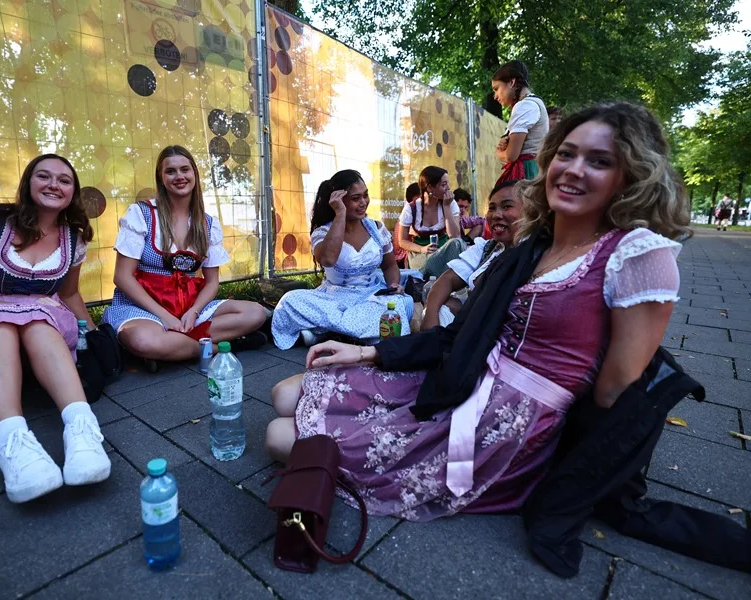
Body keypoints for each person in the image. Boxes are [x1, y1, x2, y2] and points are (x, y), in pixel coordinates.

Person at [266, 101, 690, 523]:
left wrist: (568, 476)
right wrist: (366, 352)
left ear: (630, 176)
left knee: (280, 436)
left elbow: (613, 394)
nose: (574, 169)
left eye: (599, 161)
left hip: (510, 422)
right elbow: (461, 334)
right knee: (284, 394)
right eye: (566, 153)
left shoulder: (636, 253)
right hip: (463, 373)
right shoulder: (534, 247)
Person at [0, 154, 110, 504]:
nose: (54, 184)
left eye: (64, 180)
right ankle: (13, 444)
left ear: (72, 193)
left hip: (45, 328)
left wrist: (93, 334)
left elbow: (68, 294)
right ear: (28, 183)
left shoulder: (74, 238)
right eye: (44, 176)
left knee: (38, 322)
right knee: (3, 324)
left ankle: (83, 430)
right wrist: (20, 308)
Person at [102, 146, 267, 365]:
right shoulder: (141, 214)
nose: (179, 176)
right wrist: (165, 316)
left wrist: (194, 311)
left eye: (185, 169)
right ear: (161, 178)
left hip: (188, 306)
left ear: (194, 174)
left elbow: (212, 282)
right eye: (171, 171)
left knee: (256, 313)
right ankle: (220, 347)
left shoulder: (207, 224)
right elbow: (122, 277)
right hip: (144, 307)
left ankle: (171, 347)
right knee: (143, 340)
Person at [270, 169, 414, 349]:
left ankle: (327, 331)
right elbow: (328, 259)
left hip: (371, 296)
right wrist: (340, 214)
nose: (363, 202)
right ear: (338, 201)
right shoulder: (322, 232)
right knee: (290, 301)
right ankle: (352, 333)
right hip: (333, 299)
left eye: (365, 195)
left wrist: (393, 285)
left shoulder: (377, 229)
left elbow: (390, 266)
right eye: (356, 198)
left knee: (399, 303)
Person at [421, 179, 522, 329]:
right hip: (475, 325)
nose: (496, 215)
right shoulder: (487, 247)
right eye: (492, 208)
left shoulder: (537, 254)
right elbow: (447, 280)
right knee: (438, 308)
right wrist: (430, 316)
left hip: (505, 331)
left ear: (531, 213)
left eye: (507, 206)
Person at [396, 166, 467, 279]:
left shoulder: (450, 203)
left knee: (457, 243)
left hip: (442, 251)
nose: (448, 188)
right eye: (444, 185)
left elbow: (454, 235)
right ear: (430, 188)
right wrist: (422, 249)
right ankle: (437, 277)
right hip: (420, 255)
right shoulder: (411, 208)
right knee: (427, 264)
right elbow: (402, 241)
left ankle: (438, 279)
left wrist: (446, 207)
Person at [493, 60, 549, 183]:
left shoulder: (524, 106)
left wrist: (499, 153)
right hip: (535, 170)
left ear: (511, 82)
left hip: (526, 172)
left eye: (496, 88)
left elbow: (511, 156)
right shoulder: (534, 102)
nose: (495, 96)